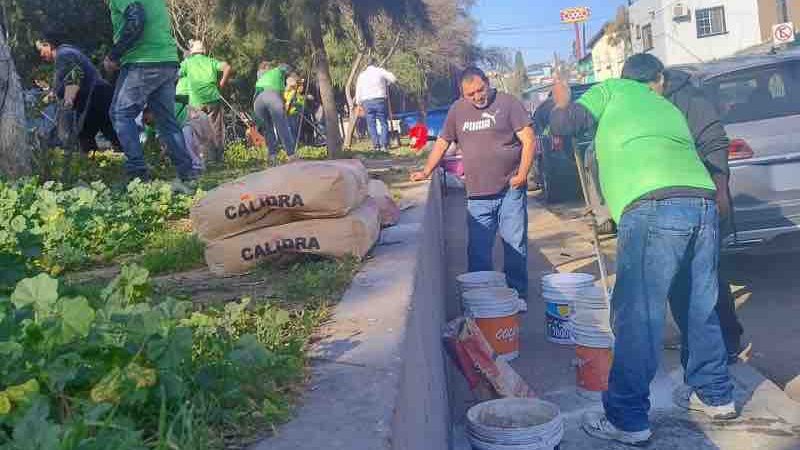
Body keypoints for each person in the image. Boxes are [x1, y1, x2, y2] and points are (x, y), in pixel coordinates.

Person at [549, 54, 735, 446]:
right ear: (658, 80)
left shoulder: (611, 90)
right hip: (701, 203)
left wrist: (561, 100)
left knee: (639, 315)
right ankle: (715, 396)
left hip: (652, 206)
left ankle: (628, 419)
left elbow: (565, 125)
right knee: (699, 305)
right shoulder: (666, 106)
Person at [411, 67, 536, 308]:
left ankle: (517, 295)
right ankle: (481, 299)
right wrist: (427, 170)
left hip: (510, 189)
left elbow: (528, 139)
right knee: (478, 251)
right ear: (462, 93)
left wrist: (522, 174)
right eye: (471, 94)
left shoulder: (508, 103)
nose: (478, 96)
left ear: (488, 83)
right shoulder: (458, 110)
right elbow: (442, 142)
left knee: (515, 244)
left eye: (480, 90)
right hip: (478, 195)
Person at [663, 68, 747, 365]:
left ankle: (727, 342)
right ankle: (699, 340)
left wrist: (721, 190)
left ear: (656, 78)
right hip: (670, 203)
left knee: (708, 276)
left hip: (703, 198)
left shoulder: (688, 99)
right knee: (680, 279)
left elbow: (714, 144)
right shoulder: (650, 102)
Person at [104, 0, 196, 184]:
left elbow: (136, 18)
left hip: (143, 61)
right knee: (166, 121)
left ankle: (137, 173)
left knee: (120, 113)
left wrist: (114, 54)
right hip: (167, 60)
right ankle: (187, 175)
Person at [36, 29, 120, 153]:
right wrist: (53, 93)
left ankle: (91, 166)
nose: (41, 55)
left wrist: (68, 101)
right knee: (109, 133)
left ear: (48, 44)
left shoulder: (63, 54)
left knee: (84, 136)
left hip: (95, 97)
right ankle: (131, 160)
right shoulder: (67, 53)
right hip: (99, 96)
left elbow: (75, 75)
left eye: (40, 50)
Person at [179, 39, 232, 162]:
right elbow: (227, 67)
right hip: (213, 98)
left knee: (198, 131)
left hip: (196, 102)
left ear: (192, 52)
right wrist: (221, 84)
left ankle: (201, 158)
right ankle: (217, 159)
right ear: (204, 51)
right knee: (216, 129)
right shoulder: (211, 61)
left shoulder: (188, 62)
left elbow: (177, 74)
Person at [253, 61, 296, 159]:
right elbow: (286, 67)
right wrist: (294, 75)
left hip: (256, 102)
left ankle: (272, 156)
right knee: (282, 125)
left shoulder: (260, 77)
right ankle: (291, 154)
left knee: (268, 128)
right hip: (271, 96)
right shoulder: (277, 70)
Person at [355, 63, 397, 151]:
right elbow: (393, 79)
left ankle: (376, 146)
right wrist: (387, 82)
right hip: (380, 100)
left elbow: (358, 90)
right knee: (383, 122)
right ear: (375, 65)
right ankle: (384, 145)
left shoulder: (362, 75)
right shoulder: (380, 71)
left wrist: (358, 103)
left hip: (367, 102)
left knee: (371, 125)